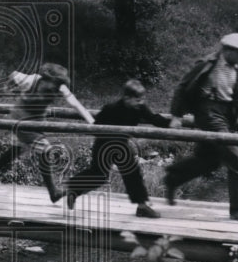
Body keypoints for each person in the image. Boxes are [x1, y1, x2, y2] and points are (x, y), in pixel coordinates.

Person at [164, 33, 238, 223]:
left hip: (227, 115)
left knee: (209, 161)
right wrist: (176, 115)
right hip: (208, 113)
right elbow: (182, 87)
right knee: (235, 157)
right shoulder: (207, 64)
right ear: (227, 51)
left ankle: (173, 177)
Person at [0, 62, 95, 204]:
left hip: (38, 119)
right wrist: (7, 88)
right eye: (51, 87)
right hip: (21, 117)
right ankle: (53, 192)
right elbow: (14, 74)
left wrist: (93, 123)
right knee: (45, 150)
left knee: (19, 148)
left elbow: (76, 104)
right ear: (45, 79)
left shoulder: (61, 87)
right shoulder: (31, 80)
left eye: (56, 89)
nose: (53, 91)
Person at [64, 79, 171, 218]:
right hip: (104, 145)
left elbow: (154, 118)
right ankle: (73, 189)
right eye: (137, 99)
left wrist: (171, 123)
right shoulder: (111, 108)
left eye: (142, 99)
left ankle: (142, 206)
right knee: (99, 176)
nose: (141, 102)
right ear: (127, 98)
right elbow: (97, 128)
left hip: (121, 145)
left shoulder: (139, 107)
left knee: (133, 172)